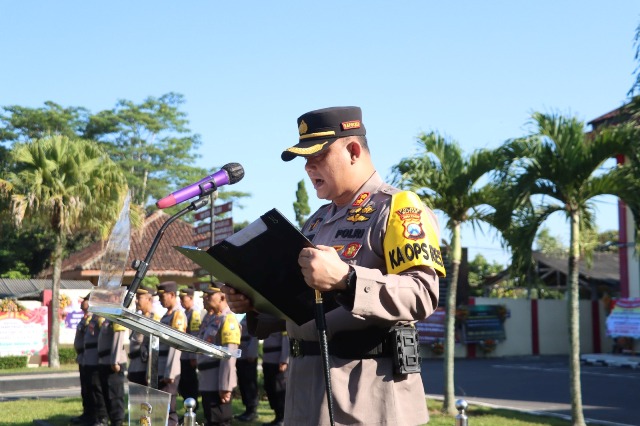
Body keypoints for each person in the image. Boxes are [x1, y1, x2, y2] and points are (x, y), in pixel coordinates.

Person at [223, 106, 445, 425]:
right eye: (304, 160)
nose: (308, 167)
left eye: (317, 156)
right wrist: (253, 304)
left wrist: (348, 279)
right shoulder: (315, 222)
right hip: (304, 392)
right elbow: (300, 304)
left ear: (353, 150)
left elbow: (422, 294)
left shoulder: (397, 208)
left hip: (367, 393)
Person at [196, 284, 240, 426]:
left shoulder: (228, 319)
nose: (206, 298)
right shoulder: (213, 319)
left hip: (218, 382)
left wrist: (225, 385)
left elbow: (229, 356)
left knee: (220, 420)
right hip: (208, 380)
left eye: (210, 295)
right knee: (210, 419)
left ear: (222, 297)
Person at [157, 281, 187, 426]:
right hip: (161, 367)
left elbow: (176, 346)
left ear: (172, 295)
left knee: (169, 408)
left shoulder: (178, 316)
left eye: (162, 297)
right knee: (161, 407)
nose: (160, 300)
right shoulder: (165, 316)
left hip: (169, 370)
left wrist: (171, 372)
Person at [97, 311, 128, 426]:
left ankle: (117, 422)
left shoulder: (117, 316)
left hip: (114, 363)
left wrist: (115, 361)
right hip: (105, 362)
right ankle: (113, 421)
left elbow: (118, 339)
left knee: (115, 396)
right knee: (107, 396)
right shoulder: (108, 318)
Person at [128, 284, 160, 386]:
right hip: (134, 367)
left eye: (139, 298)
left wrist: (149, 373)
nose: (136, 301)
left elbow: (153, 348)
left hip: (144, 369)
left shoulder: (154, 319)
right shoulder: (139, 318)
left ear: (149, 300)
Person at [178, 285, 202, 410]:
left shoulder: (194, 314)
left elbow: (194, 336)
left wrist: (194, 356)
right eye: (180, 299)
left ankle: (193, 408)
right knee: (183, 384)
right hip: (183, 355)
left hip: (189, 356)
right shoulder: (184, 313)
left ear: (191, 299)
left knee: (190, 383)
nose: (181, 301)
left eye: (184, 298)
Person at [83, 312, 108, 426]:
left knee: (98, 390)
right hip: (88, 358)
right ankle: (93, 416)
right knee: (91, 389)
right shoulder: (92, 318)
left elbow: (102, 338)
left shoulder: (101, 318)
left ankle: (102, 417)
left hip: (96, 359)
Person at [70, 294, 91, 425]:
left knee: (91, 389)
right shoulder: (85, 319)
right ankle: (86, 414)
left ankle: (93, 416)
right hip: (82, 357)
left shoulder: (92, 319)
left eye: (86, 300)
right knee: (85, 389)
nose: (83, 302)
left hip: (90, 358)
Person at [234, 316, 259, 423]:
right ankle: (247, 410)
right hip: (242, 356)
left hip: (249, 357)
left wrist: (252, 353)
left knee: (250, 384)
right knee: (243, 384)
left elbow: (255, 337)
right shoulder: (245, 317)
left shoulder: (254, 317)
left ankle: (252, 411)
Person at [260, 331, 289, 426]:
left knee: (279, 390)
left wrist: (284, 360)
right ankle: (277, 417)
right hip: (268, 361)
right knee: (270, 389)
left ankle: (283, 419)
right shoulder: (268, 318)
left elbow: (286, 339)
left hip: (278, 362)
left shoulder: (281, 318)